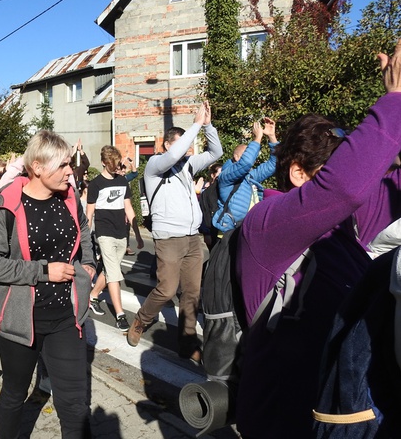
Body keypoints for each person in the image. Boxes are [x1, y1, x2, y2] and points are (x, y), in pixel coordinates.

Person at [234, 40, 401, 439]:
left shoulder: (346, 227)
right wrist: (393, 98)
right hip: (282, 424)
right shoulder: (265, 226)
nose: (362, 175)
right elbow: (345, 187)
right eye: (333, 165)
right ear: (300, 174)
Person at [0, 129, 96, 439]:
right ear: (38, 168)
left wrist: (89, 263)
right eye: (63, 166)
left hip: (67, 319)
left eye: (70, 164)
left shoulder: (69, 197)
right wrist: (44, 271)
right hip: (19, 321)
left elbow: (83, 227)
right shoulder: (6, 205)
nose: (70, 172)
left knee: (74, 403)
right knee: (15, 394)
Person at [127, 100, 223, 365]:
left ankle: (187, 342)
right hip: (169, 239)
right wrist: (195, 124)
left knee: (192, 294)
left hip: (192, 238)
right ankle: (141, 320)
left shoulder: (188, 165)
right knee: (167, 290)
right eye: (182, 144)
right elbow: (172, 156)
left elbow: (216, 152)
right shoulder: (156, 165)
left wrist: (208, 125)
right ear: (168, 144)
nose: (187, 150)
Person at [87, 145, 143, 331]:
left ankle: (93, 295)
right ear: (103, 163)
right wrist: (85, 239)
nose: (115, 167)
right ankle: (120, 315)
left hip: (121, 233)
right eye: (111, 164)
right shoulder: (95, 184)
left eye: (117, 164)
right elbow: (89, 214)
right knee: (114, 274)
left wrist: (138, 234)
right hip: (104, 233)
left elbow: (128, 208)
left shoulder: (122, 181)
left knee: (112, 270)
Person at [212, 118, 278, 233]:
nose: (252, 158)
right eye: (246, 154)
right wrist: (257, 138)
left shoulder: (250, 177)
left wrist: (272, 136)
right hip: (229, 234)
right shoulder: (225, 176)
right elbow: (246, 163)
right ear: (237, 157)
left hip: (248, 231)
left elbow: (274, 164)